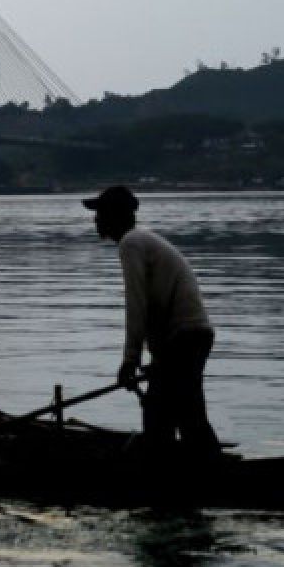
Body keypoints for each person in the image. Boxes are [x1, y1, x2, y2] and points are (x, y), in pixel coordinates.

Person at [83, 185, 221, 456]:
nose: (95, 220)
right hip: (188, 338)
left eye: (99, 213)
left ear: (114, 215)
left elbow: (137, 305)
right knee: (177, 414)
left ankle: (207, 478)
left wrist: (130, 361)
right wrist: (154, 361)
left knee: (170, 418)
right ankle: (198, 474)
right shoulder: (142, 241)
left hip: (184, 338)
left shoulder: (131, 243)